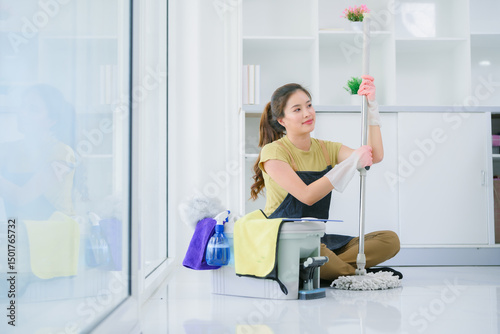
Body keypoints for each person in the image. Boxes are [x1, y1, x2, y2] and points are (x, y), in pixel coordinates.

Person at [250, 76, 401, 281]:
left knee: (389, 240)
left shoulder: (326, 148)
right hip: (286, 240)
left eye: (309, 105)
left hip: (318, 240)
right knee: (324, 257)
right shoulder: (273, 152)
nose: (307, 113)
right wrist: (349, 164)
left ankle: (321, 269)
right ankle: (341, 270)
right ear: (281, 121)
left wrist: (372, 109)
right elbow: (307, 195)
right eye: (297, 109)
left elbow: (374, 156)